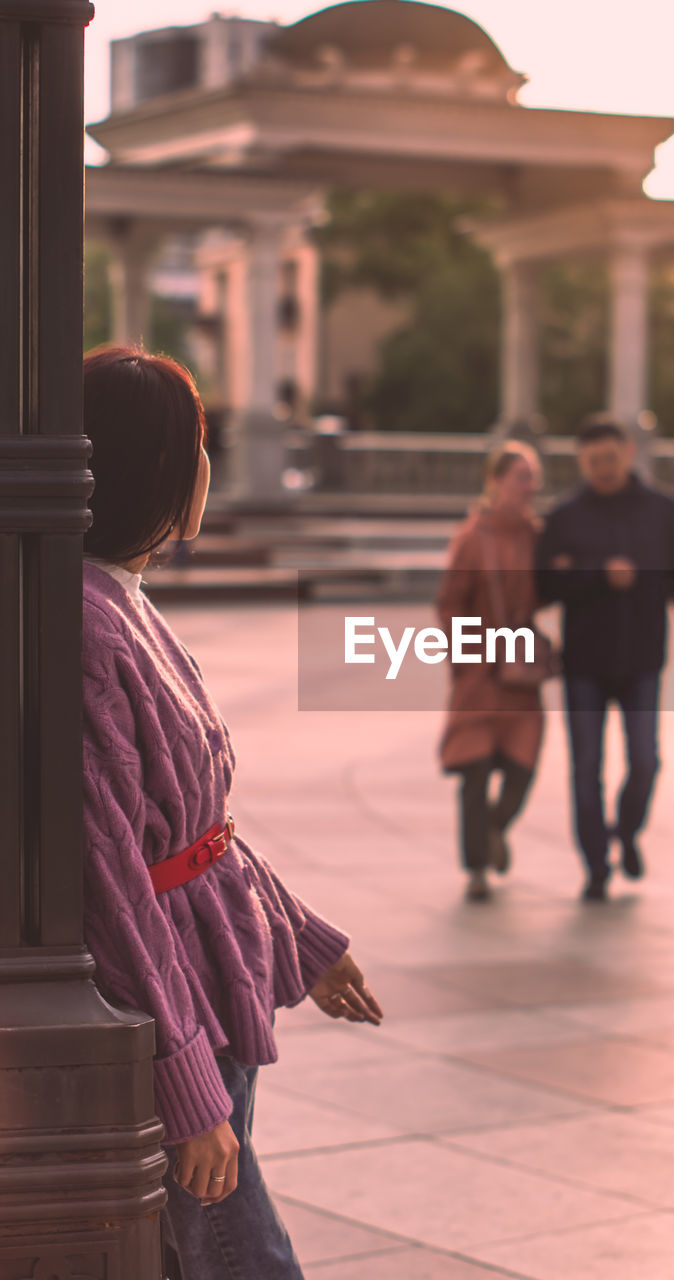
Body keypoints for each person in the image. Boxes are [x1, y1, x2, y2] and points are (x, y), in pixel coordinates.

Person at [80, 346, 383, 1280]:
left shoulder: (120, 597)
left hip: (207, 978)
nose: (209, 464)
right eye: (197, 442)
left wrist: (304, 936)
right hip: (172, 1006)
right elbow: (111, 878)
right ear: (161, 469)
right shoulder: (84, 626)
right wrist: (186, 1090)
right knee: (241, 1256)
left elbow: (199, 824)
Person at [536, 415, 674, 901]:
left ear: (628, 454)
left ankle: (628, 831)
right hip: (585, 664)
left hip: (642, 659)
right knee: (585, 767)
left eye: (610, 459)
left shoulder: (664, 512)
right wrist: (594, 574)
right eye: (593, 463)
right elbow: (543, 585)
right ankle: (595, 866)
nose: (603, 469)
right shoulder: (565, 516)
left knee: (646, 760)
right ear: (581, 463)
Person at [437, 442, 546, 902]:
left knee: (522, 764)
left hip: (520, 670)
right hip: (481, 668)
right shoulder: (472, 538)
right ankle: (477, 866)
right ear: (496, 481)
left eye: (533, 476)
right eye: (521, 476)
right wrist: (466, 659)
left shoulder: (538, 536)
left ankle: (496, 829)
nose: (530, 486)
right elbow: (449, 604)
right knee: (475, 769)